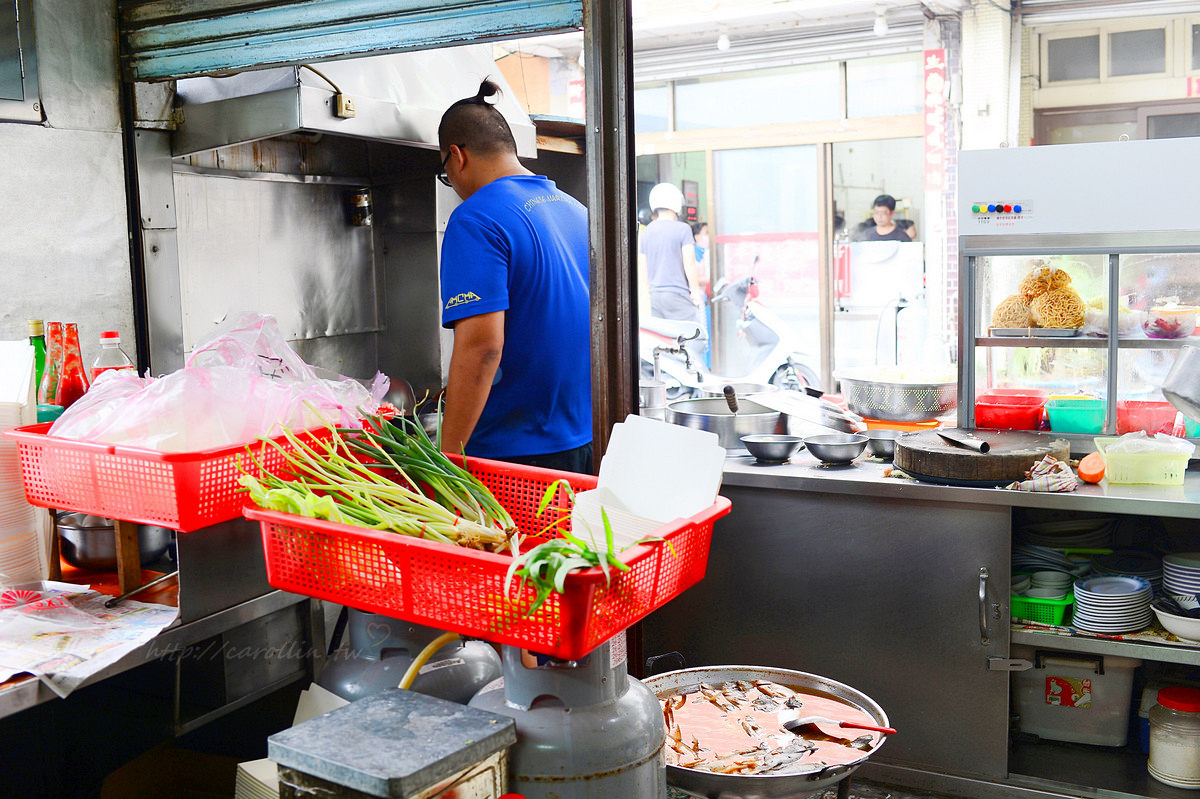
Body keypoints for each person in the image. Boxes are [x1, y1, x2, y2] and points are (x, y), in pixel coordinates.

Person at [436, 80, 592, 474]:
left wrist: (445, 461)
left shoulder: (476, 218)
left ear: (457, 156)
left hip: (514, 458)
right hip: (584, 442)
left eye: (445, 173)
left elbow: (482, 347)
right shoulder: (576, 210)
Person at [639, 183, 707, 361]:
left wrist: (649, 291)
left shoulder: (646, 233)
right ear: (676, 204)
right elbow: (689, 263)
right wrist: (695, 292)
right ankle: (694, 382)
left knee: (664, 344)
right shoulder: (683, 229)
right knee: (693, 339)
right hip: (677, 294)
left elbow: (643, 266)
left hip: (656, 296)